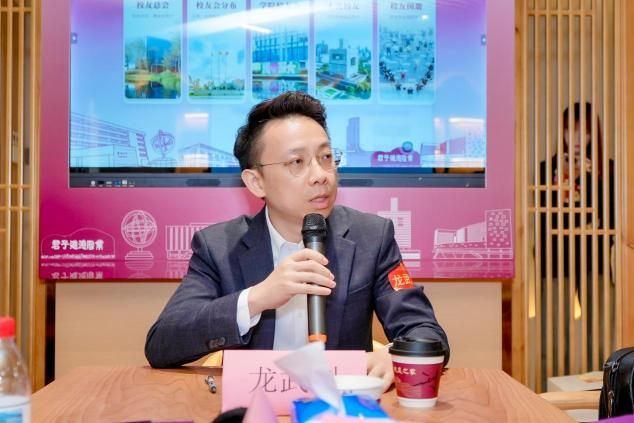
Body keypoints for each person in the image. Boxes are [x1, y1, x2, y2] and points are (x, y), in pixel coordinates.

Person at [145, 91, 449, 389]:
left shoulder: (371, 237)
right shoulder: (218, 247)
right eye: (297, 162)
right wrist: (257, 298)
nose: (321, 175)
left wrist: (396, 353)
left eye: (326, 157)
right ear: (256, 182)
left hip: (339, 407)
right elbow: (162, 343)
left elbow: (427, 332)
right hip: (256, 406)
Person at [539, 102, 615, 373]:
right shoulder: (547, 168)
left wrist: (591, 177)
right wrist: (565, 180)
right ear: (562, 132)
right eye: (570, 130)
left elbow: (610, 218)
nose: (577, 138)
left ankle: (604, 387)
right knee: (552, 334)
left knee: (602, 335)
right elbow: (544, 219)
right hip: (555, 261)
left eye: (585, 131)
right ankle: (549, 385)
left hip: (595, 259)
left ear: (594, 133)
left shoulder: (607, 170)